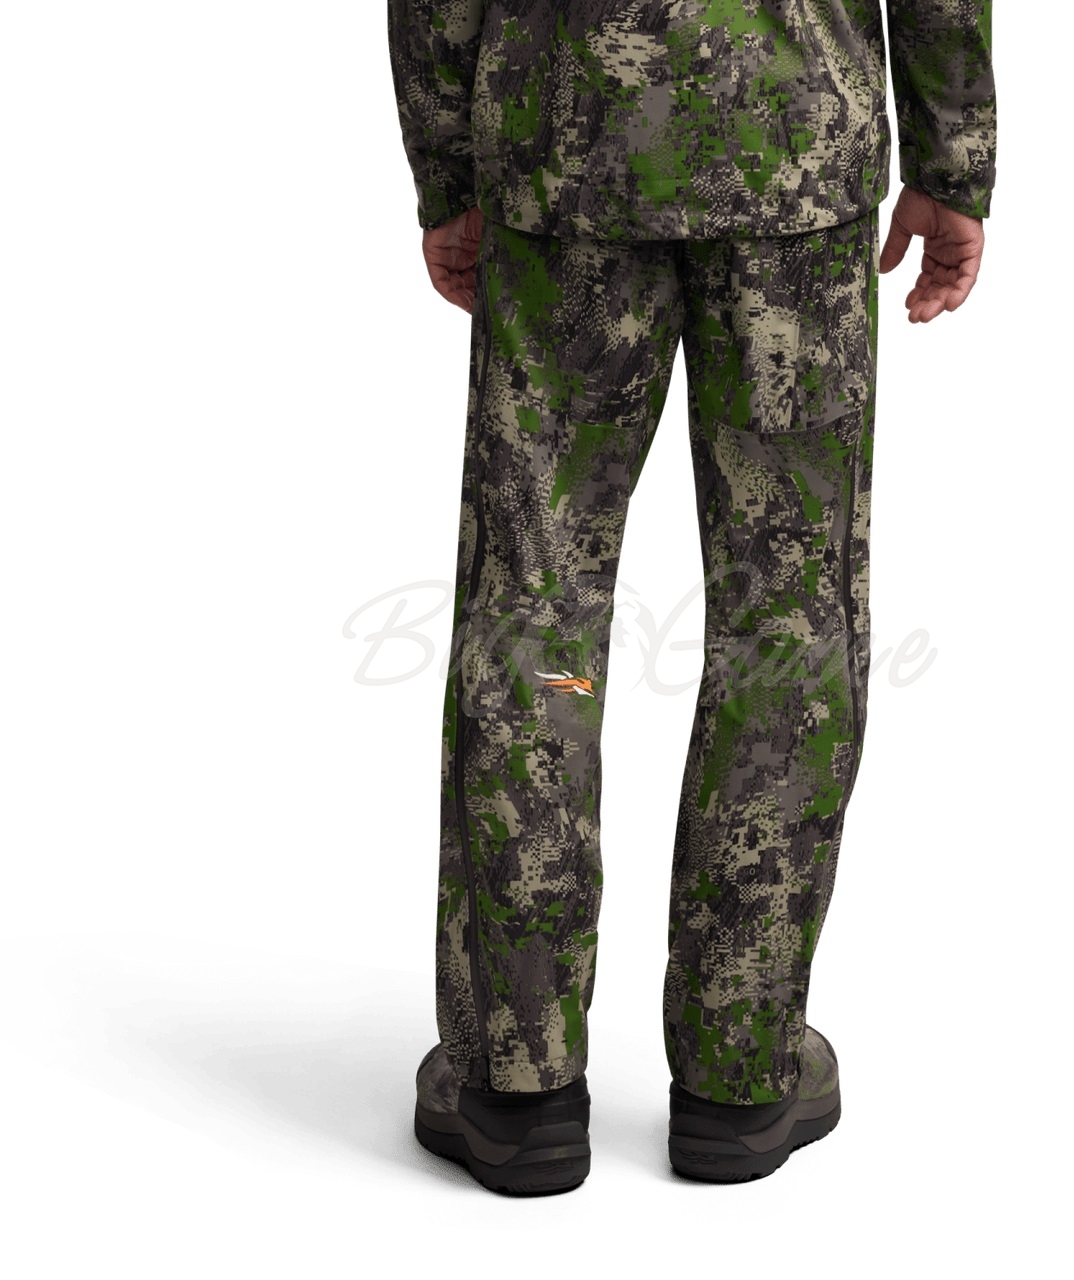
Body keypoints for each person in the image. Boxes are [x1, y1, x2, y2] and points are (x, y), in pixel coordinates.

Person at [388, 0, 995, 1195]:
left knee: (537, 608)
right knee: (789, 609)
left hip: (563, 148)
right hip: (792, 149)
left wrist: (448, 166)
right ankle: (739, 1072)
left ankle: (517, 1083)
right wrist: (952, 157)